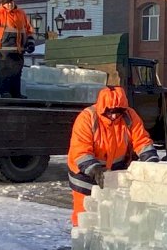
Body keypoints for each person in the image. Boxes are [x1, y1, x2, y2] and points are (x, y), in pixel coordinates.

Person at [67, 86, 159, 226]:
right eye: (110, 112)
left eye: (119, 112)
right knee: (85, 215)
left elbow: (141, 140)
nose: (115, 116)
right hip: (84, 175)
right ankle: (82, 243)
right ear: (103, 108)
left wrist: (151, 161)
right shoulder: (87, 118)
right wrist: (95, 170)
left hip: (113, 173)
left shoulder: (129, 116)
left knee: (110, 214)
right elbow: (81, 151)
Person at [0, 0, 35, 98]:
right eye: (7, 3)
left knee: (17, 72)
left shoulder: (21, 13)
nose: (10, 4)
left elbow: (28, 30)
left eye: (11, 2)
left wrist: (30, 43)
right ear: (3, 4)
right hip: (4, 49)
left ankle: (16, 92)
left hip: (19, 49)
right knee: (5, 71)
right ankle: (5, 92)